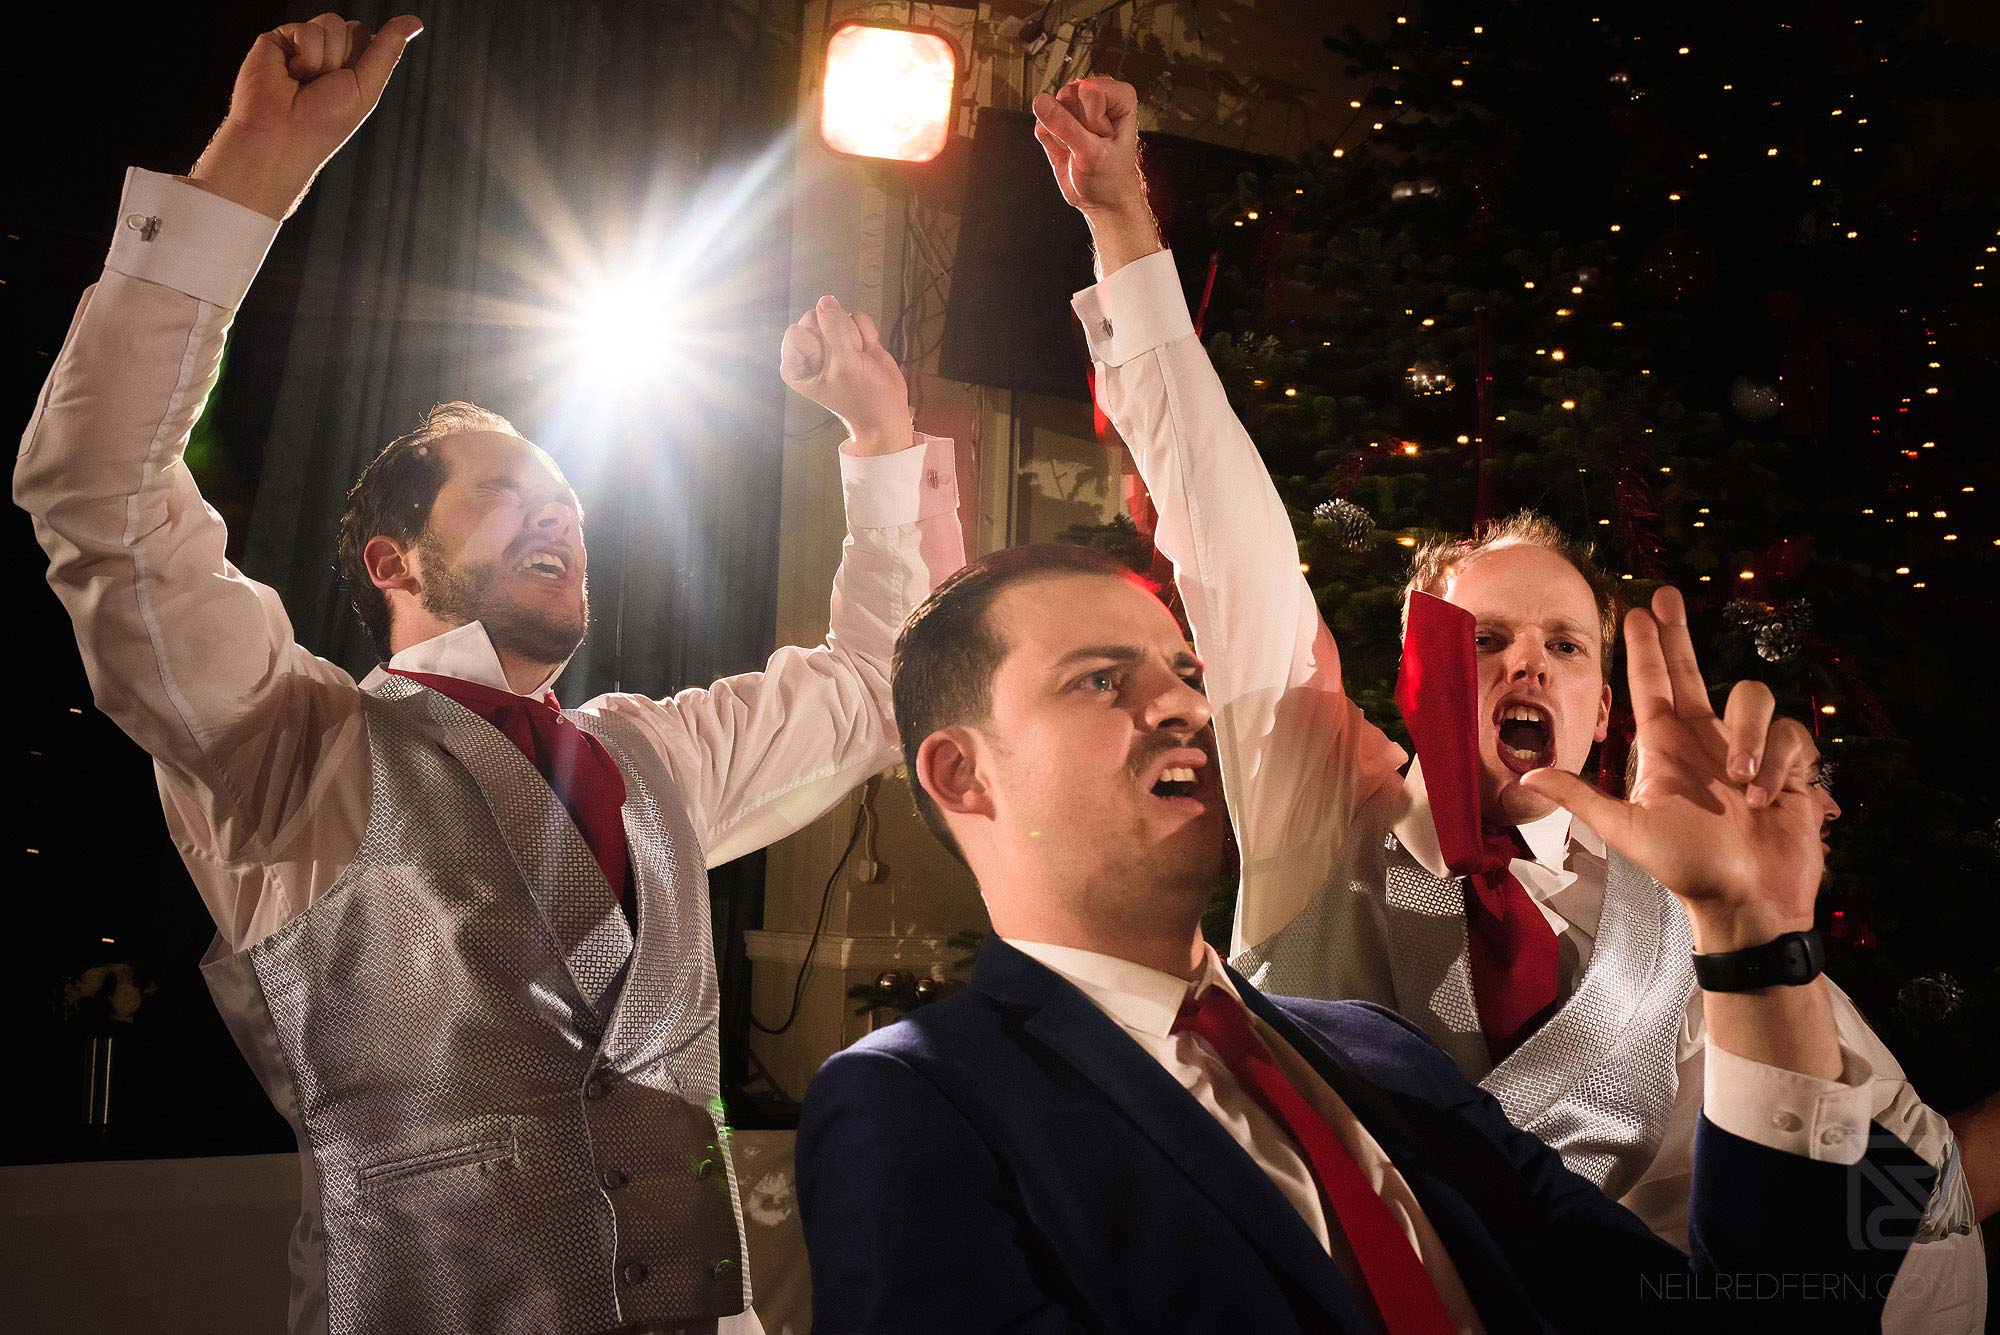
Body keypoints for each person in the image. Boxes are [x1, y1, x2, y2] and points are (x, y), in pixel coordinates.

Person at [15, 15, 963, 1335]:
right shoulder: (287, 740)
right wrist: (250, 174)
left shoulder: (654, 758)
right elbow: (100, 489)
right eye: (511, 491)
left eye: (570, 498)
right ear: (394, 556)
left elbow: (877, 685)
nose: (560, 515)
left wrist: (881, 435)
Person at [1027, 76, 1986, 1328]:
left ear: (1605, 709)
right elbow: (1233, 539)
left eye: (1565, 646)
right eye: (1482, 640)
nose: (1527, 667)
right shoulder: (1332, 810)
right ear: (1420, 672)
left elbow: (1889, 1162)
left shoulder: (1699, 897)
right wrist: (1124, 229)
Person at [797, 543, 1929, 1333]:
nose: (1183, 704)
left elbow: (1761, 1313)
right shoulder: (914, 1102)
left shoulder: (1378, 1059)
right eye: (1102, 679)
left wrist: (1748, 938)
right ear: (960, 773)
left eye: (1186, 672)